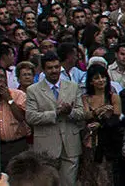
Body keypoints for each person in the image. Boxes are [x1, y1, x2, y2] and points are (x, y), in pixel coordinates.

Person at [26, 51, 87, 185]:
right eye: (50, 68)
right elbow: (30, 117)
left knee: (68, 183)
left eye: (56, 67)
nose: (54, 71)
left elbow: (82, 113)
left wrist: (70, 112)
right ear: (43, 69)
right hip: (46, 146)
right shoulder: (33, 90)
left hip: (70, 145)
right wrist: (55, 113)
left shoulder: (73, 87)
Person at [79, 63, 125, 185]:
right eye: (96, 78)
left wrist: (101, 124)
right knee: (89, 176)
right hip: (90, 142)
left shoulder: (113, 97)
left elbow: (116, 119)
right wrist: (98, 111)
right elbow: (85, 115)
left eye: (103, 77)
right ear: (90, 82)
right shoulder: (85, 98)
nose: (101, 80)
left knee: (106, 176)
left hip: (108, 142)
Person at [0, 66, 31, 167]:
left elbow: (21, 117)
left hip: (18, 145)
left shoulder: (18, 95)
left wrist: (9, 99)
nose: (0, 80)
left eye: (2, 76)